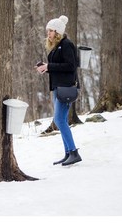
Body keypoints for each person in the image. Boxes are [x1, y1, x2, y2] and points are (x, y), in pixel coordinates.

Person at [35, 15, 82, 166]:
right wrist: (45, 67)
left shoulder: (66, 44)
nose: (48, 33)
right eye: (48, 31)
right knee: (59, 120)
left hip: (66, 87)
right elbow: (57, 66)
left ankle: (73, 152)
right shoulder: (57, 46)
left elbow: (70, 66)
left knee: (60, 120)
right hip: (58, 87)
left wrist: (49, 66)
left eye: (51, 31)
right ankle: (68, 153)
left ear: (58, 32)